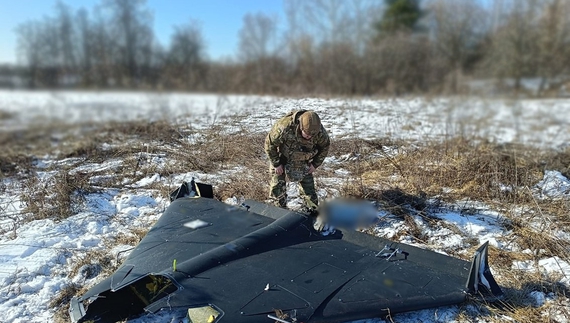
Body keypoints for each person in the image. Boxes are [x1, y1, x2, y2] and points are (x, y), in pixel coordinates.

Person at [264, 110, 330, 211]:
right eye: (307, 134)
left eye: (312, 136)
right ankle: (277, 210)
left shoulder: (319, 132)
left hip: (304, 158)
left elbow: (325, 147)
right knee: (277, 185)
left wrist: (315, 164)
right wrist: (276, 163)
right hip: (282, 156)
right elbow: (269, 144)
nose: (310, 137)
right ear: (300, 127)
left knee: (308, 189)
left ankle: (311, 211)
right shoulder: (284, 126)